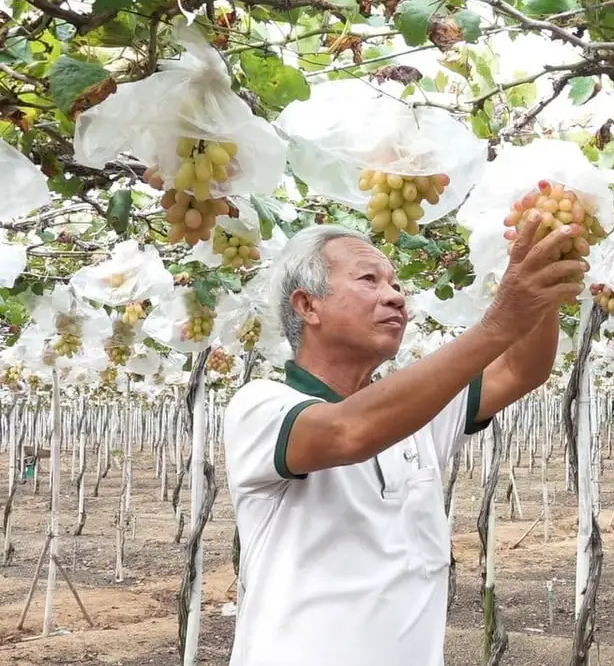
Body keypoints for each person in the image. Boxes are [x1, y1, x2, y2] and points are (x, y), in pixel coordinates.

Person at [222, 218, 586, 666]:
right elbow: (347, 431)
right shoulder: (261, 406)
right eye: (368, 280)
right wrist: (498, 323)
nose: (395, 296)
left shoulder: (416, 412)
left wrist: (540, 293)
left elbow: (518, 371)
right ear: (307, 305)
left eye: (395, 283)